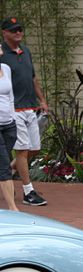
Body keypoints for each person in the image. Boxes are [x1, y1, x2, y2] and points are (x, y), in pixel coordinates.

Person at [0, 17, 49, 207]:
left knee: (34, 148)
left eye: (19, 29)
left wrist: (42, 100)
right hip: (13, 111)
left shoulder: (25, 51)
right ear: (4, 32)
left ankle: (7, 170)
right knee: (21, 151)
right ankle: (29, 191)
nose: (18, 33)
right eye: (13, 30)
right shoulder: (2, 55)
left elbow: (33, 78)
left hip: (30, 107)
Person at [0, 58, 19, 211]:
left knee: (3, 162)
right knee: (4, 165)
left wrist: (13, 117)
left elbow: (11, 96)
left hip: (8, 124)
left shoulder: (5, 68)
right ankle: (13, 209)